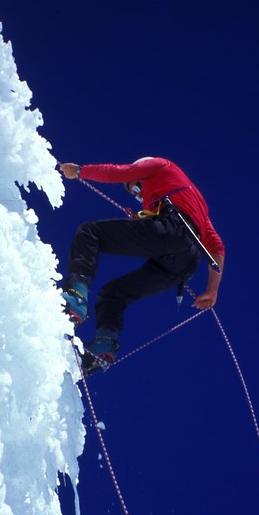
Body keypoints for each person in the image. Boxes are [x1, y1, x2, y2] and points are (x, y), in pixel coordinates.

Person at [59, 156, 225, 373]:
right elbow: (216, 247)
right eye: (135, 196)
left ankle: (76, 298)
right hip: (185, 262)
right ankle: (104, 344)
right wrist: (212, 290)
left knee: (90, 232)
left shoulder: (161, 165)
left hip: (171, 231)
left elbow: (118, 172)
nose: (139, 195)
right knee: (113, 293)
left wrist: (80, 171)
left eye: (136, 187)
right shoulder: (196, 204)